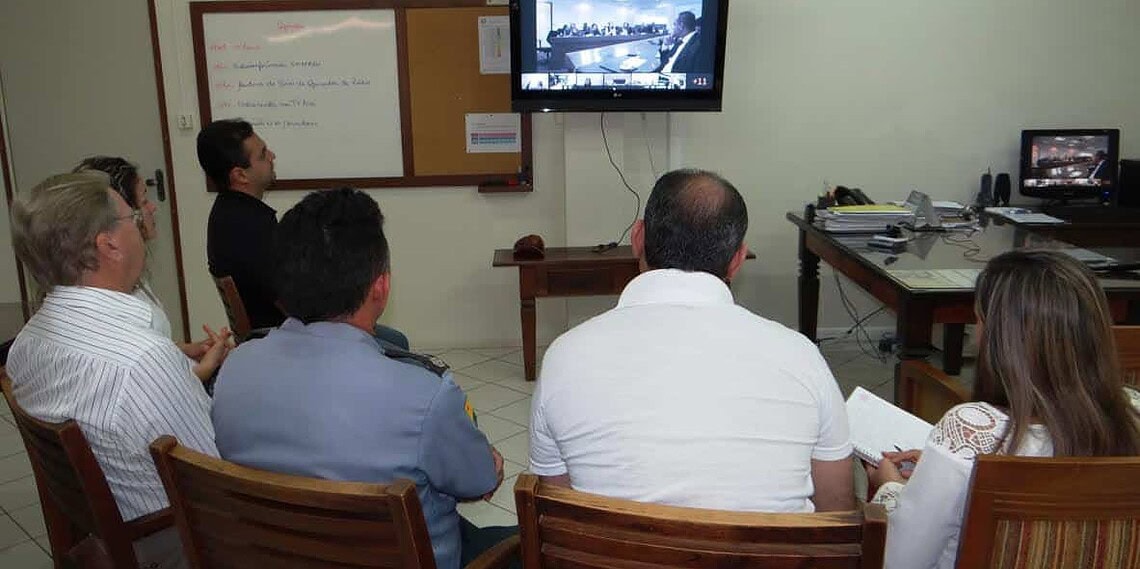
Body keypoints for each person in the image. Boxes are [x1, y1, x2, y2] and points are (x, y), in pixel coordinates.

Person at [211, 188, 513, 569]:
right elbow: (479, 481)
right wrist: (490, 465)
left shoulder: (234, 371)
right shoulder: (424, 396)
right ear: (381, 286)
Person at [529, 168, 854, 513]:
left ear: (638, 237)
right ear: (737, 259)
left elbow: (558, 514)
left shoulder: (564, 358)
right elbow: (837, 515)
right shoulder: (801, 358)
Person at [866, 249, 1140, 569]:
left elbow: (900, 562)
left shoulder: (971, 431)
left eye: (979, 320)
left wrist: (891, 488)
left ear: (1003, 340)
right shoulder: (1131, 412)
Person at [7, 171, 223, 569]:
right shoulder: (142, 360)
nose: (141, 226)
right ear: (109, 245)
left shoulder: (26, 343)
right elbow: (216, 488)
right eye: (133, 219)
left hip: (103, 526)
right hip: (169, 539)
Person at [197, 119, 409, 349]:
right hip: (285, 335)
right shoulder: (249, 226)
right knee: (395, 341)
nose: (272, 156)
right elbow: (291, 299)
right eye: (262, 154)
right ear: (240, 175)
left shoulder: (227, 213)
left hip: (273, 330)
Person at [74, 156, 231, 381]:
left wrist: (189, 349)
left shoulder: (117, 277)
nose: (152, 208)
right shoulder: (114, 298)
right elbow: (155, 387)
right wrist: (208, 365)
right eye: (144, 200)